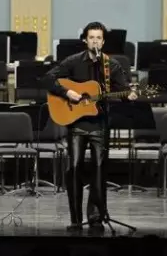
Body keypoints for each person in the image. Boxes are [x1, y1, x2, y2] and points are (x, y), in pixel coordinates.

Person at [43, 21, 136, 232]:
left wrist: (129, 95)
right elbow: (47, 78)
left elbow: (123, 91)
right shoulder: (73, 61)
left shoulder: (112, 65)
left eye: (98, 38)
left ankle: (95, 218)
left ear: (103, 42)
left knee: (99, 171)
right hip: (76, 123)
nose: (95, 41)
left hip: (100, 124)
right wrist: (67, 92)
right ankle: (75, 219)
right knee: (75, 168)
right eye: (91, 37)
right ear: (86, 40)